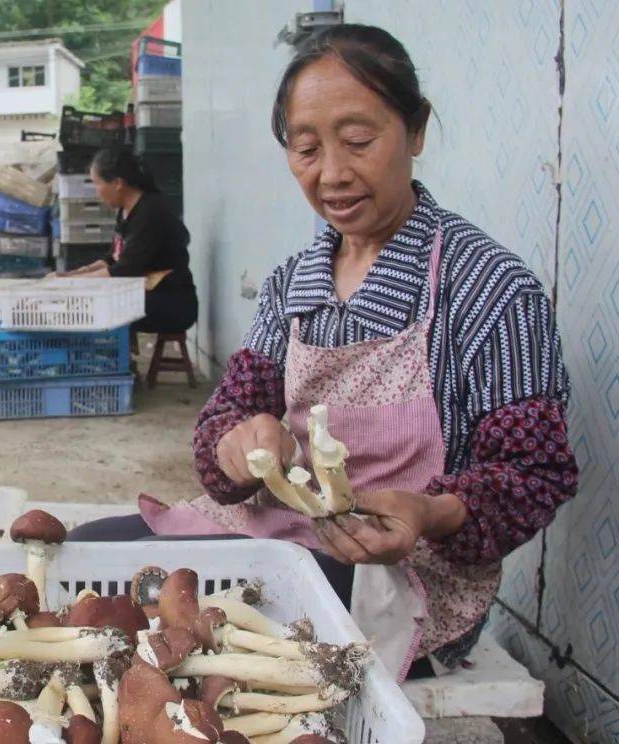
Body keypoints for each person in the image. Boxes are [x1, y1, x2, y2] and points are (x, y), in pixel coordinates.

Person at [69, 24, 578, 681]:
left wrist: (428, 511)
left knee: (144, 612)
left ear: (416, 131)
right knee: (84, 560)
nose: (332, 174)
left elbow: (534, 472)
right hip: (278, 531)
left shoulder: (489, 289)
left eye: (359, 141)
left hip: (402, 580)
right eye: (305, 148)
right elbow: (222, 425)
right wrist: (237, 446)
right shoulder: (294, 285)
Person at [60, 146, 198, 334]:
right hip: (144, 294)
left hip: (170, 302)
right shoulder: (125, 210)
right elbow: (113, 259)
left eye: (97, 184)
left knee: (89, 306)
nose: (96, 192)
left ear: (118, 183)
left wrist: (73, 284)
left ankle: (113, 361)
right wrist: (74, 275)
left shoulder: (150, 213)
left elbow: (124, 271)